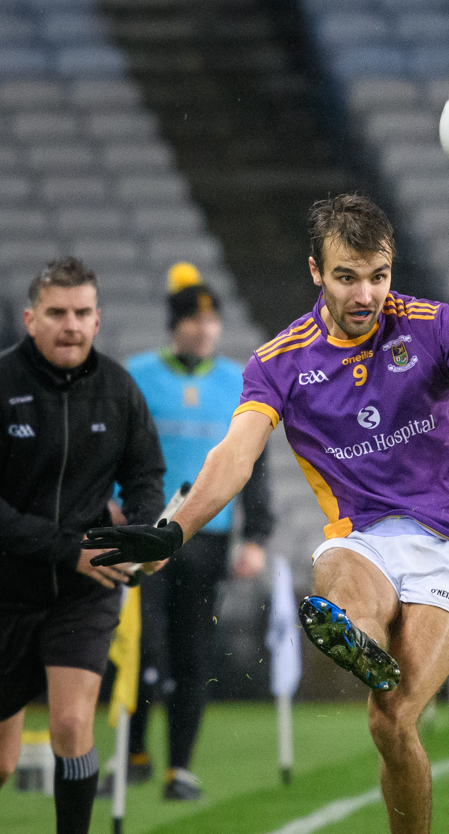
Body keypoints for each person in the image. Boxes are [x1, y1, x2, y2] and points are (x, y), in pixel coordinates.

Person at [84, 194, 449, 834]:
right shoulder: (279, 363)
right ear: (316, 272)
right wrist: (174, 529)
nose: (365, 293)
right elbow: (234, 457)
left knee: (392, 720)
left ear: (390, 269)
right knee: (337, 573)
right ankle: (354, 634)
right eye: (346, 276)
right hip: (363, 536)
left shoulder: (430, 323)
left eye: (377, 274)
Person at [0, 257, 165, 834]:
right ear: (30, 318)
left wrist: (142, 534)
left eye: (81, 314)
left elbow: (146, 474)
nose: (71, 326)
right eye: (57, 313)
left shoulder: (120, 391)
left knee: (74, 722)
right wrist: (64, 548)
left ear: (97, 319)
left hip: (84, 589)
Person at [96, 262, 274, 801]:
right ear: (173, 325)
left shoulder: (238, 382)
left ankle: (180, 768)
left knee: (194, 654)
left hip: (208, 537)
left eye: (212, 320)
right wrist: (105, 500)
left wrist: (256, 536)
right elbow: (107, 446)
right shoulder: (136, 376)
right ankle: (133, 756)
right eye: (193, 320)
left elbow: (254, 465)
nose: (204, 329)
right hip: (145, 535)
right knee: (142, 649)